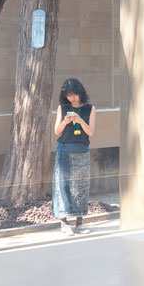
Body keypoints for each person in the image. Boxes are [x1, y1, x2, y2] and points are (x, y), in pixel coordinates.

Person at [51, 77, 95, 234]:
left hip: (82, 150)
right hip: (64, 149)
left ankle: (79, 223)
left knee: (80, 187)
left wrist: (80, 121)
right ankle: (64, 224)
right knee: (62, 186)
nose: (72, 98)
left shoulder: (90, 109)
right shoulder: (62, 108)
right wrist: (65, 121)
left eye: (74, 94)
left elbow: (90, 132)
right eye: (69, 95)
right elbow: (57, 131)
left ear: (80, 92)